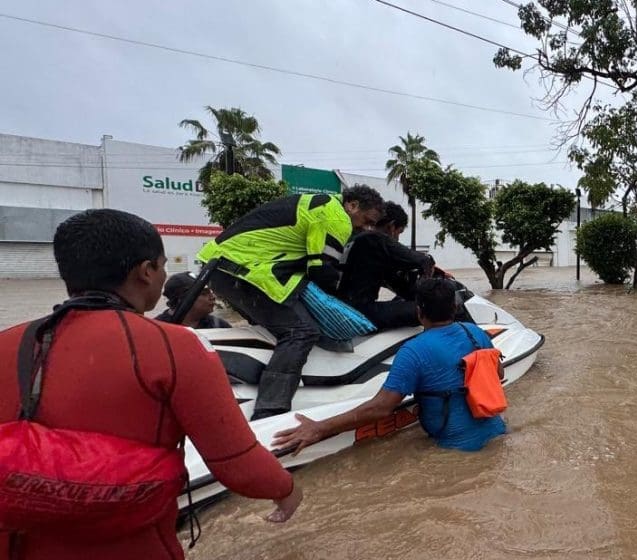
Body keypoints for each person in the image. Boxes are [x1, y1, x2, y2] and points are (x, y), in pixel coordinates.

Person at [0, 209, 300, 559]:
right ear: (146, 272)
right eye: (161, 266)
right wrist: (286, 488)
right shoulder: (178, 346)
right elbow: (237, 464)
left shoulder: (7, 342)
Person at [197, 186, 384, 420]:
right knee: (301, 331)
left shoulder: (321, 202)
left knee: (281, 324)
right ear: (352, 205)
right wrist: (343, 309)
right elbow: (322, 271)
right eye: (366, 221)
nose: (365, 228)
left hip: (224, 267)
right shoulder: (336, 216)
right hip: (245, 271)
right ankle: (270, 412)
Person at [272, 278, 505, 453]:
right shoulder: (476, 333)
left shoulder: (414, 352)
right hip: (498, 434)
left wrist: (319, 428)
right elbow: (499, 374)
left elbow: (380, 408)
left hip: (454, 451)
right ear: (455, 308)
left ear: (419, 311)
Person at [337, 201, 435, 330]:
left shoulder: (358, 239)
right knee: (432, 308)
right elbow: (422, 260)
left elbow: (396, 283)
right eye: (399, 233)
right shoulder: (376, 239)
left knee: (401, 302)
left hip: (343, 306)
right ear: (391, 226)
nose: (397, 239)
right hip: (359, 311)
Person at [154, 272, 232, 329]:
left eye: (211, 292)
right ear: (180, 299)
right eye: (203, 294)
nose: (212, 297)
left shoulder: (219, 326)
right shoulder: (157, 327)